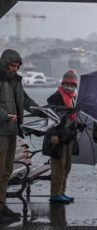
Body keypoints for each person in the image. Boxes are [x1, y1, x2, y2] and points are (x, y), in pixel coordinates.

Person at [0, 49, 39, 223]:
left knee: (7, 171)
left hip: (12, 131)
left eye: (17, 66)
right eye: (13, 66)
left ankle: (1, 205)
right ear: (5, 65)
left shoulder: (16, 81)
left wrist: (39, 110)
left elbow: (25, 100)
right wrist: (5, 116)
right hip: (1, 130)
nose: (15, 69)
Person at [46, 70, 79, 204]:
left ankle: (62, 192)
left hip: (68, 137)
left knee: (67, 166)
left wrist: (79, 125)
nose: (70, 86)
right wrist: (54, 134)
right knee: (58, 166)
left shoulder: (73, 98)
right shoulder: (55, 97)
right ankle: (55, 194)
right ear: (63, 83)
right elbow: (51, 117)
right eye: (67, 83)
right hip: (58, 138)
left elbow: (71, 117)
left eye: (72, 84)